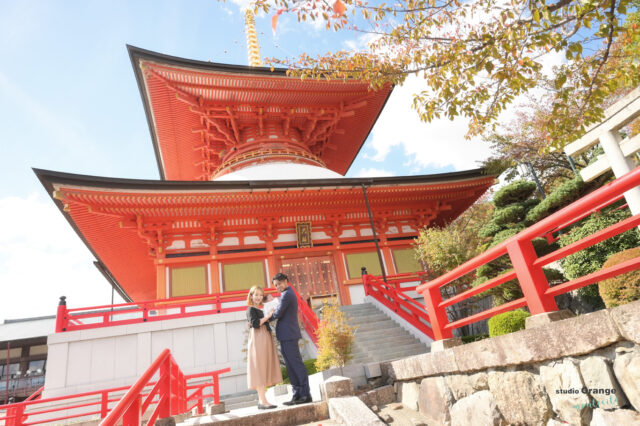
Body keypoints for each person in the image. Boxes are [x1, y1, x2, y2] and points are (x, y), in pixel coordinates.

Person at [264, 273, 312, 405]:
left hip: (289, 335)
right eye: (275, 285)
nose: (278, 287)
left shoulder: (287, 294)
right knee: (291, 366)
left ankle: (305, 394)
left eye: (279, 283)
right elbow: (279, 311)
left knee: (296, 365)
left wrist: (267, 316)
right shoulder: (286, 294)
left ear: (286, 281)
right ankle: (297, 395)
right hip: (286, 335)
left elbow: (278, 313)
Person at [246, 285, 282, 409]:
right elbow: (256, 324)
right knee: (260, 368)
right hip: (258, 337)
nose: (258, 297)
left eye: (261, 295)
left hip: (264, 336)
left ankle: (263, 400)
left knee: (264, 366)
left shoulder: (261, 308)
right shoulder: (251, 309)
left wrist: (270, 303)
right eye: (256, 295)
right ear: (251, 296)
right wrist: (267, 316)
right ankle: (262, 401)